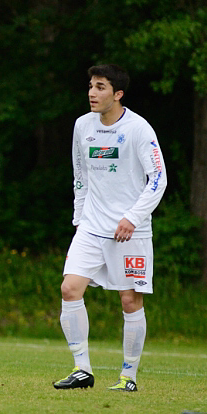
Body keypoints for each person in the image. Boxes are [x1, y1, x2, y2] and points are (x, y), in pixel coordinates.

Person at [53, 64, 167, 392]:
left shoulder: (138, 129)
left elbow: (158, 179)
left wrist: (132, 217)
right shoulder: (82, 126)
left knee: (129, 301)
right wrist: (80, 218)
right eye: (91, 85)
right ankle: (82, 370)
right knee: (69, 289)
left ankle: (128, 377)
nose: (92, 93)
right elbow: (80, 175)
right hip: (90, 226)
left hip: (129, 230)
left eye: (100, 87)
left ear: (117, 94)